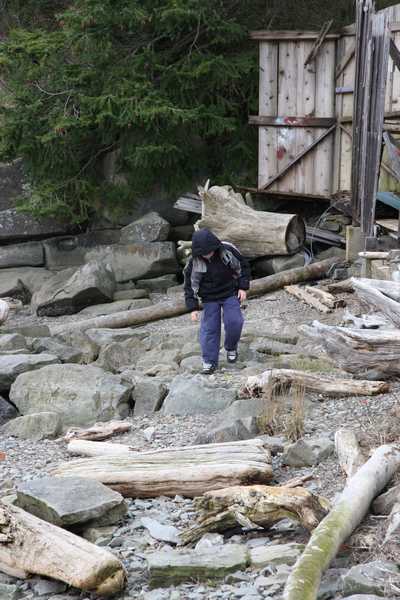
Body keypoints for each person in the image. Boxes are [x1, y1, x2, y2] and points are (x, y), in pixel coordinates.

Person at [184, 228, 250, 375]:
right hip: (208, 298)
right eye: (203, 253)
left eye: (209, 251)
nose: (207, 254)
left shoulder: (227, 250)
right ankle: (209, 362)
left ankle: (231, 347)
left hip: (230, 293)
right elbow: (189, 286)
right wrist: (193, 308)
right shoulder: (193, 262)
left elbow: (243, 267)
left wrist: (243, 287)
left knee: (235, 322)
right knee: (210, 329)